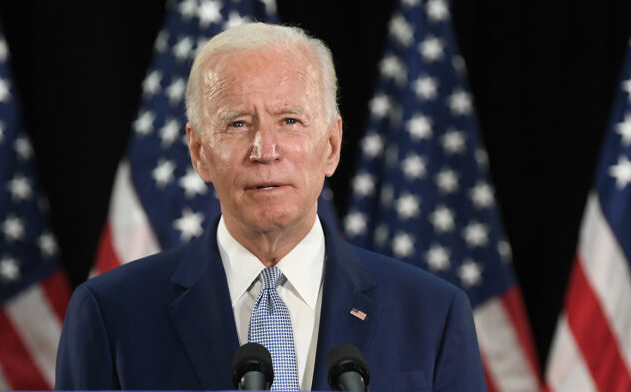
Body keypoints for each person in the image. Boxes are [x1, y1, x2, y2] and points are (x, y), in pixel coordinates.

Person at [55, 23, 486, 391]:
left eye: (290, 121)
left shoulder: (433, 314)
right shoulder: (112, 314)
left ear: (331, 146)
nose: (265, 150)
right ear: (199, 151)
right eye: (238, 124)